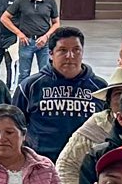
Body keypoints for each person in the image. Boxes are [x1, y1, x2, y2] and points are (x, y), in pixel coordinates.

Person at [11, 28, 106, 164]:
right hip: (41, 162)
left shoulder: (100, 88)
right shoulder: (30, 86)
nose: (70, 56)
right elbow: (14, 124)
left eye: (76, 50)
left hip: (86, 163)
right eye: (63, 50)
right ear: (51, 54)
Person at [1, 0, 62, 83]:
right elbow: (4, 18)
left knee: (46, 72)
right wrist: (19, 33)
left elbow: (56, 23)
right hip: (26, 42)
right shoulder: (21, 1)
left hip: (44, 43)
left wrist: (46, 36)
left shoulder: (50, 2)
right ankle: (22, 97)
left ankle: (42, 95)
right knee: (24, 73)